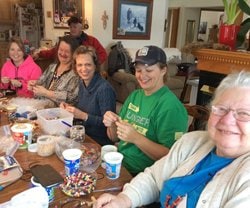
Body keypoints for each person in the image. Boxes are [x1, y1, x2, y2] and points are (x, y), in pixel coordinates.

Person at [95, 70, 250, 208]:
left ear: (163, 71)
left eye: (244, 113)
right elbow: (154, 179)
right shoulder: (193, 141)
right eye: (221, 109)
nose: (227, 120)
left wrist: (136, 138)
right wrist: (123, 200)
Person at [103, 46, 188, 175]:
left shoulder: (171, 107)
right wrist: (112, 123)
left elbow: (171, 158)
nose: (142, 76)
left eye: (149, 70)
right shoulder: (135, 95)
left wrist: (136, 138)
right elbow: (114, 137)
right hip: (119, 163)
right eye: (138, 70)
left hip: (143, 176)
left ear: (163, 70)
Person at [60, 45, 116, 146]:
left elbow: (109, 124)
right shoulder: (82, 82)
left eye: (88, 64)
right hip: (84, 135)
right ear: (75, 67)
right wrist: (69, 108)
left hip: (99, 142)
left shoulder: (104, 89)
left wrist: (83, 116)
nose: (83, 69)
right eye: (79, 65)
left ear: (95, 66)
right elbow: (85, 107)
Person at [28, 35, 80, 107]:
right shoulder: (52, 67)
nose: (63, 54)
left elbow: (73, 98)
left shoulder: (76, 73)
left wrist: (47, 93)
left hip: (61, 114)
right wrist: (34, 85)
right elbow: (41, 82)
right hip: (42, 110)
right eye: (61, 50)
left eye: (67, 51)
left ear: (74, 53)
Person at [35, 16, 107, 65]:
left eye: (75, 27)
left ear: (81, 28)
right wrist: (39, 54)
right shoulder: (66, 41)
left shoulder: (92, 40)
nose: (72, 29)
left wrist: (92, 64)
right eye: (71, 27)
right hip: (70, 70)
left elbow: (103, 54)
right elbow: (54, 51)